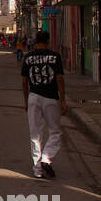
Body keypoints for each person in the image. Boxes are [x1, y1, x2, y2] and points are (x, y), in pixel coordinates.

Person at [21, 29, 66, 179]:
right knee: (55, 132)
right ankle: (46, 158)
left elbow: (24, 81)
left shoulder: (28, 57)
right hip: (51, 98)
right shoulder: (55, 57)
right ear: (48, 41)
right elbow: (59, 79)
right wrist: (63, 100)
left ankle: (37, 169)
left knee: (35, 134)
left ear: (35, 41)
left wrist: (26, 100)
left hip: (34, 96)